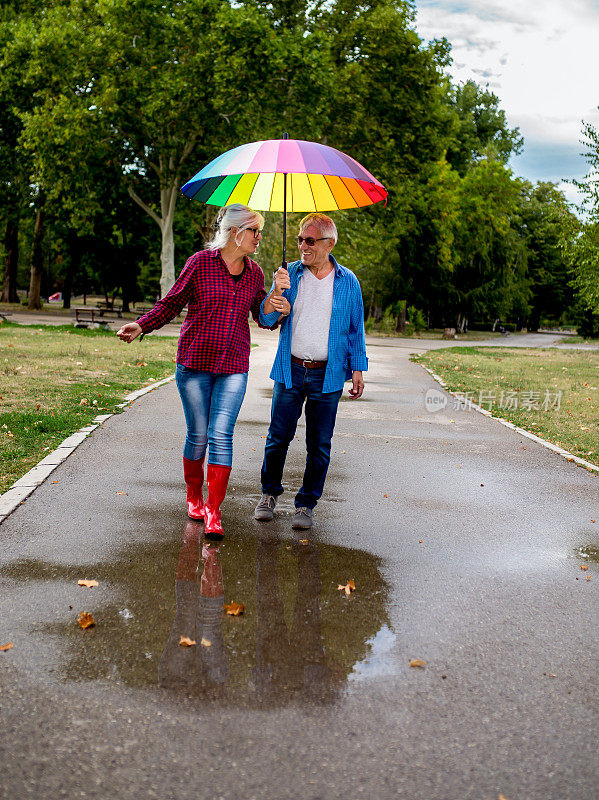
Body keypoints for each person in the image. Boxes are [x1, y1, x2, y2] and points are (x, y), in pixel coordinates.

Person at [117, 204, 289, 539]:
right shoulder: (199, 263)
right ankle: (194, 496)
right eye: (255, 231)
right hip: (194, 364)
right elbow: (171, 303)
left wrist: (276, 294)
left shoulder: (255, 273)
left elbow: (264, 319)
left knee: (221, 434)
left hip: (233, 366)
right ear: (235, 231)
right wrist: (141, 325)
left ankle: (213, 510)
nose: (259, 238)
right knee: (198, 434)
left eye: (260, 232)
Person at [255, 212, 367, 530]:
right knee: (277, 438)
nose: (303, 246)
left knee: (319, 443)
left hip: (327, 375)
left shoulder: (348, 282)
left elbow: (355, 329)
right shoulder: (289, 274)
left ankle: (306, 504)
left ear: (329, 243)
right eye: (300, 239)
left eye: (310, 240)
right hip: (290, 371)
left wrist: (358, 369)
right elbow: (264, 320)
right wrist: (276, 295)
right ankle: (269, 494)